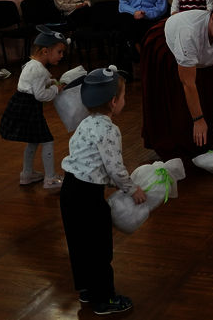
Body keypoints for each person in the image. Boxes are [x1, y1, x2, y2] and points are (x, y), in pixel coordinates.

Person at [59, 66, 147, 315]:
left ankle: (87, 289)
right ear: (113, 101)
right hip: (87, 196)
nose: (124, 100)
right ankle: (105, 299)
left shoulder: (84, 123)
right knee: (99, 247)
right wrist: (132, 189)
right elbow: (115, 168)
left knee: (80, 245)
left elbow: (89, 160)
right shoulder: (109, 130)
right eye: (124, 96)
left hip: (70, 190)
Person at [140, 0, 213, 160]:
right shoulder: (189, 32)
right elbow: (188, 83)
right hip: (165, 44)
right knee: (177, 101)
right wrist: (198, 120)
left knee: (208, 98)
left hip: (200, 56)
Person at [0, 27, 67, 189]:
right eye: (59, 52)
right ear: (45, 51)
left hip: (23, 104)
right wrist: (55, 89)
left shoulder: (31, 65)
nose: (61, 56)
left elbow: (34, 84)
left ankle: (27, 174)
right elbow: (41, 95)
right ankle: (50, 178)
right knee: (47, 140)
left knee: (33, 141)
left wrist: (50, 82)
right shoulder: (39, 70)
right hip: (29, 108)